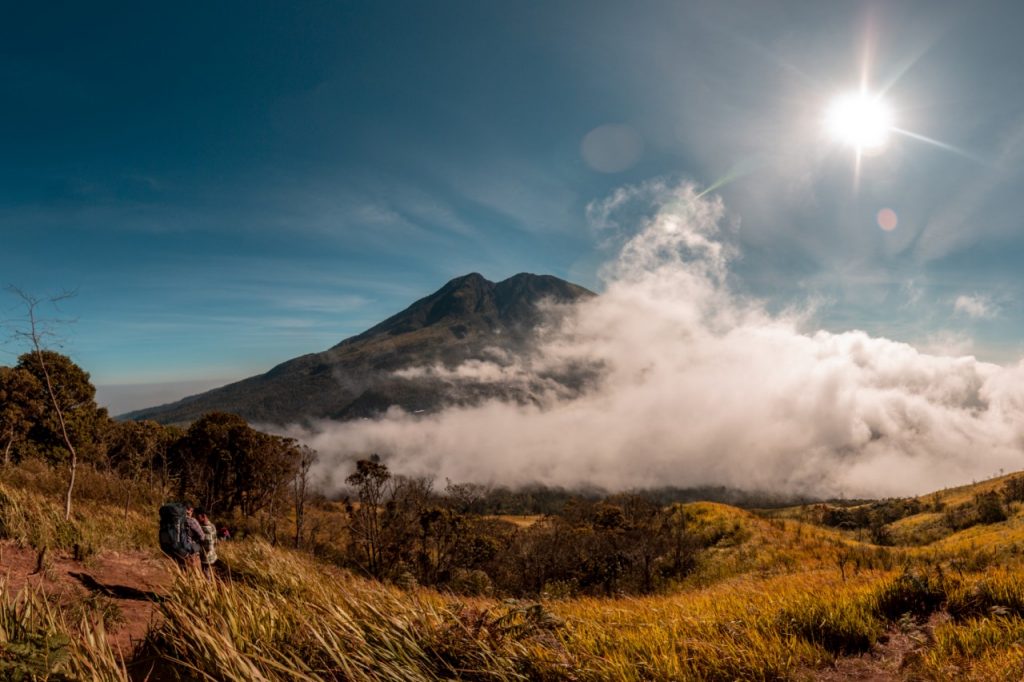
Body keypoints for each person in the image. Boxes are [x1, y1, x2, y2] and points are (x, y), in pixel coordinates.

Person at [194, 507, 218, 574]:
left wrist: (197, 550)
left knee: (206, 575)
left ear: (203, 516)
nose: (196, 519)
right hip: (212, 555)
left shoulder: (205, 528)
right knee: (209, 574)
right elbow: (215, 541)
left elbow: (208, 547)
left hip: (206, 558)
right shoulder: (212, 525)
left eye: (197, 516)